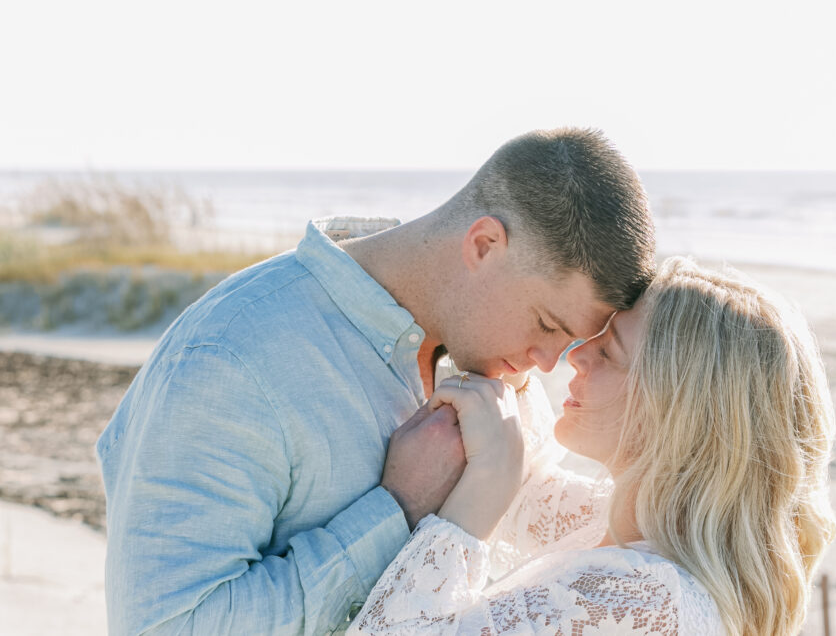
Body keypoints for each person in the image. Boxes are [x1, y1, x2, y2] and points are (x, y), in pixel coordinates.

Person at [97, 128, 657, 634]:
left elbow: (552, 523)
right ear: (484, 245)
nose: (547, 362)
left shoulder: (481, 361)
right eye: (546, 324)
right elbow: (167, 626)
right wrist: (399, 508)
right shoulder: (233, 356)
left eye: (572, 343)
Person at [352, 257, 836, 635]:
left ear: (675, 414)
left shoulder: (645, 603)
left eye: (608, 352)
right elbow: (526, 493)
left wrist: (474, 502)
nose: (576, 354)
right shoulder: (640, 524)